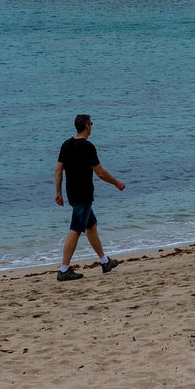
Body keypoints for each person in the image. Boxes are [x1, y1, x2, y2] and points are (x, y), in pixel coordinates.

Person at [54, 113, 126, 281]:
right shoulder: (87, 147)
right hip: (83, 194)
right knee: (75, 230)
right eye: (91, 124)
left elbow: (58, 169)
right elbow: (100, 173)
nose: (91, 126)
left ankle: (105, 261)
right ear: (87, 126)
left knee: (91, 226)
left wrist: (58, 193)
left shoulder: (66, 144)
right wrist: (116, 183)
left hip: (72, 193)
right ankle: (64, 270)